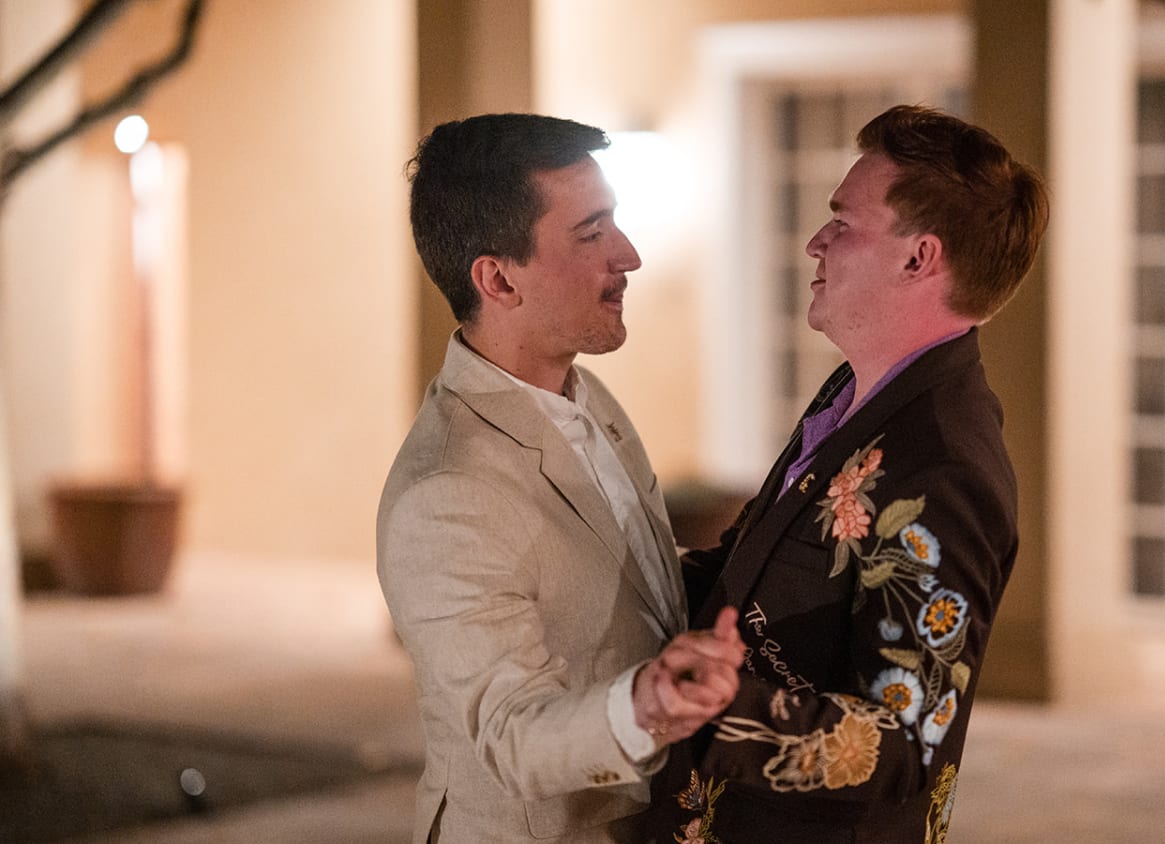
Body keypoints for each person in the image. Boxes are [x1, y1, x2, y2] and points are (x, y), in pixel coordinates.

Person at [662, 105, 1048, 842]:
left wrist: (718, 710)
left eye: (843, 222)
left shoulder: (945, 466)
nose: (816, 241)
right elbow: (740, 578)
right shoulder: (850, 397)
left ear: (918, 258)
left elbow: (904, 744)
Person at [377, 113, 744, 844]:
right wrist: (643, 706)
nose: (629, 255)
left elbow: (624, 582)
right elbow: (511, 734)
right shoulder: (446, 494)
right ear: (498, 279)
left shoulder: (586, 395)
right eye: (591, 233)